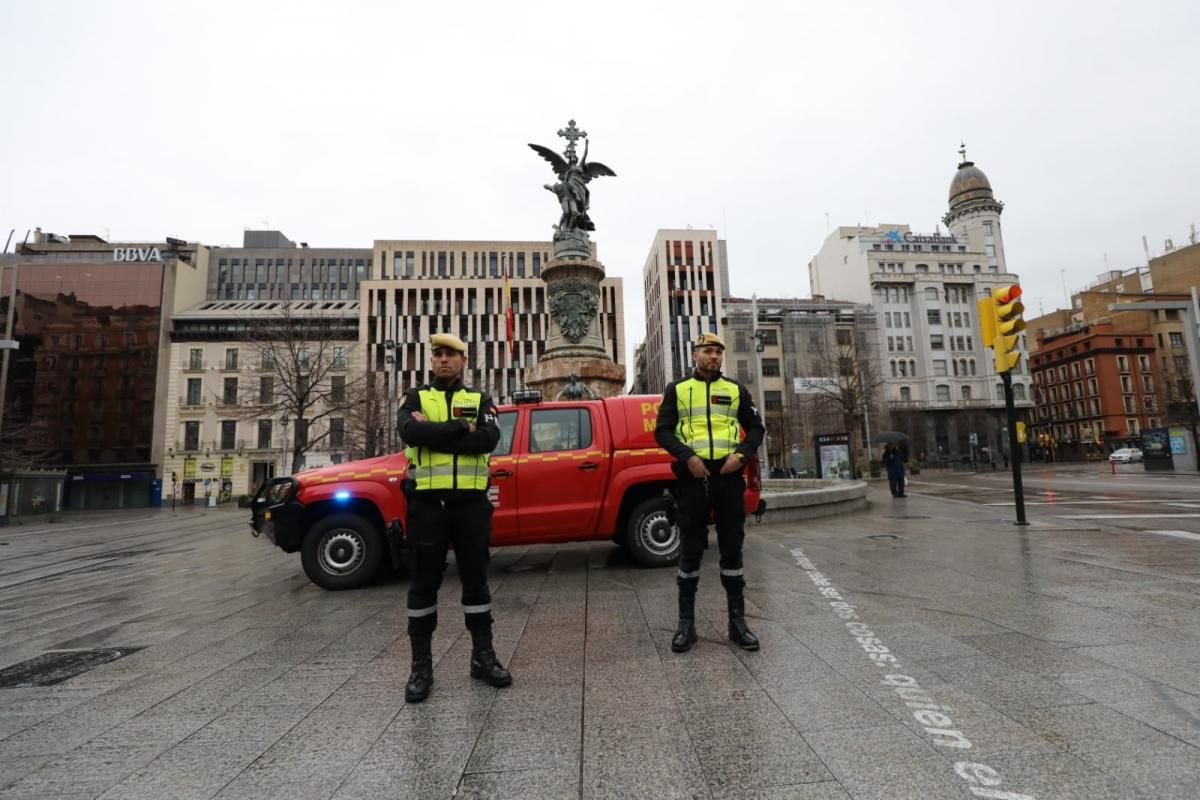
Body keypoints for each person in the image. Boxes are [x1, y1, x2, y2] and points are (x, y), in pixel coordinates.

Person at [397, 332, 511, 703]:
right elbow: (409, 431)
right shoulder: (416, 397)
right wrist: (463, 427)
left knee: (476, 582)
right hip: (428, 506)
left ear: (464, 361)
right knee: (423, 585)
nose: (444, 360)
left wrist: (435, 434)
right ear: (431, 361)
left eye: (452, 354)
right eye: (439, 354)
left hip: (470, 506)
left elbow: (489, 440)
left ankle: (482, 657)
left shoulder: (479, 398)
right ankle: (421, 667)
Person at [655, 332, 766, 653]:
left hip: (729, 478)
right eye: (707, 351)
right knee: (690, 551)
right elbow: (662, 430)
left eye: (718, 351)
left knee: (732, 549)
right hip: (693, 478)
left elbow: (757, 428)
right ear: (695, 355)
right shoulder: (677, 390)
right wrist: (687, 457)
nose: (714, 356)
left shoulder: (735, 390)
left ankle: (737, 623)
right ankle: (685, 625)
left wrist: (742, 455)